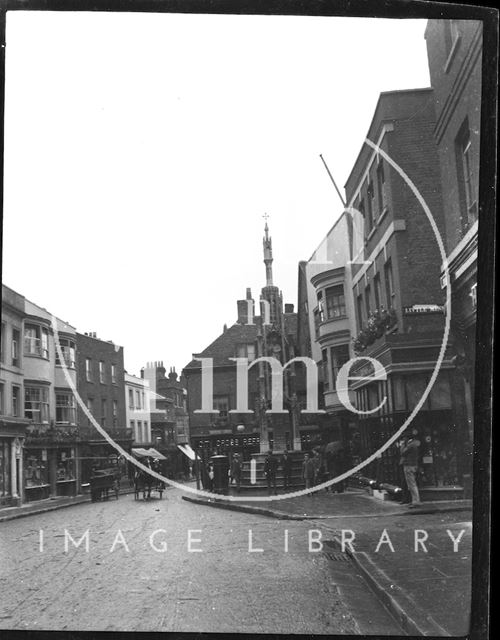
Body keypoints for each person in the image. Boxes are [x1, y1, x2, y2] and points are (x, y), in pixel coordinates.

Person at [399, 429, 421, 507]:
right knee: (411, 484)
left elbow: (402, 452)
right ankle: (414, 500)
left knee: (412, 484)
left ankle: (416, 502)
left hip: (409, 466)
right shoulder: (413, 444)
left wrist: (402, 445)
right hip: (412, 465)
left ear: (407, 438)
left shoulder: (410, 445)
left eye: (404, 438)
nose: (403, 439)